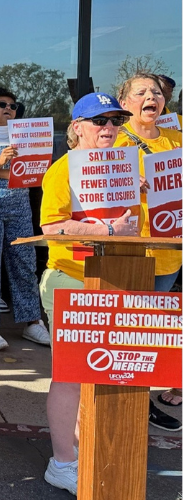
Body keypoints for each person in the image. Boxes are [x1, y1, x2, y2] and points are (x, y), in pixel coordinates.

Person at [37, 92, 140, 495]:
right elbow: (50, 226)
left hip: (117, 277)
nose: (110, 128)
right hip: (71, 278)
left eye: (115, 121)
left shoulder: (125, 166)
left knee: (111, 372)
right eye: (100, 122)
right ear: (77, 128)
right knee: (71, 376)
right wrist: (108, 231)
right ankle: (62, 463)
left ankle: (92, 450)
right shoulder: (63, 169)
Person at [113, 72, 183, 431]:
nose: (150, 97)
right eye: (140, 92)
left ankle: (138, 400)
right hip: (132, 252)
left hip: (170, 252)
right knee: (130, 332)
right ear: (125, 103)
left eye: (155, 92)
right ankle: (130, 403)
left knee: (151, 333)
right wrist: (128, 182)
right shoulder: (116, 141)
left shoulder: (175, 140)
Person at [0, 88, 49, 350]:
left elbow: (34, 171)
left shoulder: (27, 135)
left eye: (13, 106)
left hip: (20, 203)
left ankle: (33, 322)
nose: (8, 109)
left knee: (24, 261)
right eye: (2, 104)